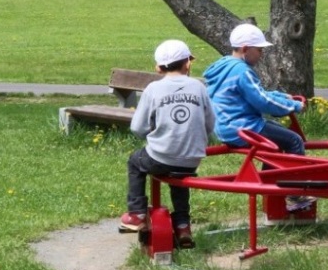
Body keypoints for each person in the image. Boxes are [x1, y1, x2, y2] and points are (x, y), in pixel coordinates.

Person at [203, 23, 314, 213]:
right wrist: (294, 106)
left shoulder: (224, 66)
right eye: (259, 50)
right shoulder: (243, 71)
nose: (261, 55)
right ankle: (294, 195)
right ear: (246, 49)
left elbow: (258, 94)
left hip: (225, 127)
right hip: (243, 128)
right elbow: (262, 102)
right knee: (294, 141)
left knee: (275, 140)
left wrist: (281, 97)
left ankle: (268, 185)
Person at [120, 39, 215, 248]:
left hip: (160, 156)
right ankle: (182, 226)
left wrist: (152, 131)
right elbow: (210, 123)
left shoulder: (154, 89)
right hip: (192, 159)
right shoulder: (199, 87)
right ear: (188, 64)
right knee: (178, 178)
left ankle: (136, 214)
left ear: (158, 67)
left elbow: (137, 127)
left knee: (135, 162)